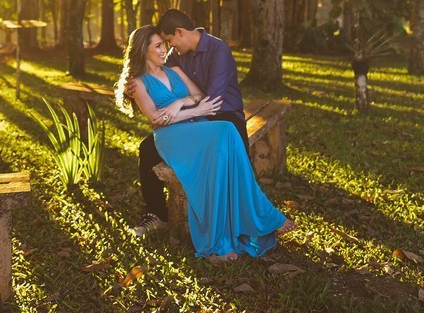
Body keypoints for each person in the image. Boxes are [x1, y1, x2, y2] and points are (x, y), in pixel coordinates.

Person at [114, 25, 294, 261]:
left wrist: (180, 104)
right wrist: (194, 110)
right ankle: (234, 228)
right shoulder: (138, 84)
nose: (163, 50)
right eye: (157, 46)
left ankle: (253, 214)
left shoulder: (175, 71)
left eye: (164, 44)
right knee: (226, 130)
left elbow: (199, 95)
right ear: (142, 50)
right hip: (171, 138)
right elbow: (158, 120)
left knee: (227, 137)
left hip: (192, 129)